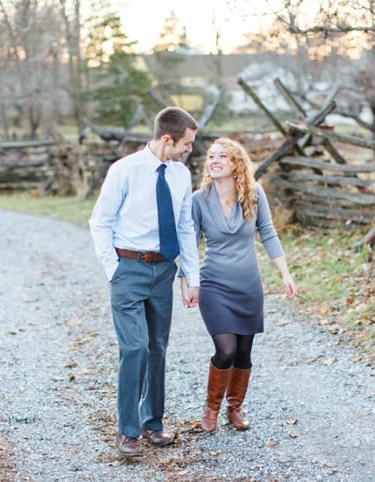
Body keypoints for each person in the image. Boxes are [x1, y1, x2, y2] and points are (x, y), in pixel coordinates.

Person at [89, 106, 201, 457]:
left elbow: (185, 227)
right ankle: (127, 432)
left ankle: (152, 423)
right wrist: (114, 269)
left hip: (163, 270)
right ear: (167, 139)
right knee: (134, 347)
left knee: (157, 347)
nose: (190, 150)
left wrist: (189, 275)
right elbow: (100, 222)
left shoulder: (181, 175)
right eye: (187, 143)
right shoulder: (124, 171)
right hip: (129, 268)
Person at [180, 137, 297, 433]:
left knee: (244, 353)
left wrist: (285, 273)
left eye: (222, 156)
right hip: (214, 285)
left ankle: (235, 408)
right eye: (211, 156)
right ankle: (211, 409)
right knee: (226, 349)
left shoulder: (254, 195)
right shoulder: (199, 200)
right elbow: (190, 245)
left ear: (236, 163)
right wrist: (186, 282)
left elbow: (268, 233)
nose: (214, 161)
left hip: (248, 287)